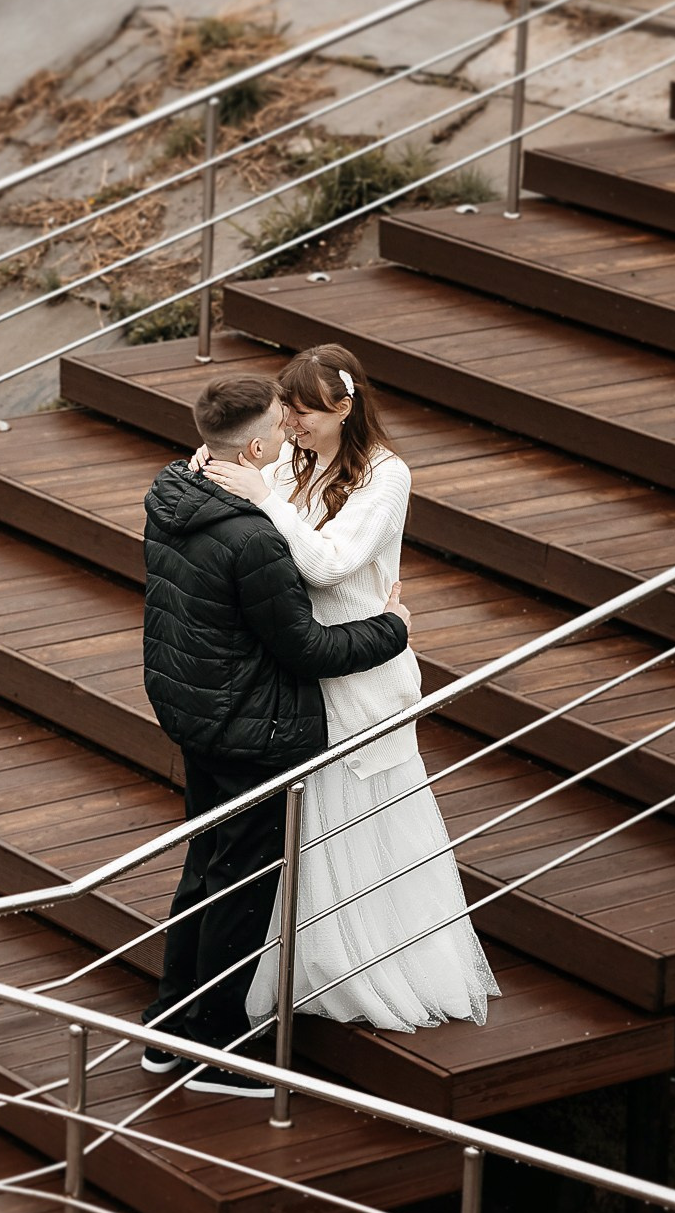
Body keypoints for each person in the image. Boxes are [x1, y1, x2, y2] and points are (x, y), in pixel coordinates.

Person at [199, 344, 499, 1034]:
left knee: (364, 817)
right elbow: (235, 467)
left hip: (362, 670)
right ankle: (305, 959)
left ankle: (371, 962)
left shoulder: (386, 476)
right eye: (288, 409)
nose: (292, 423)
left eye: (305, 411)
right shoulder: (292, 457)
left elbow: (332, 565)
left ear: (345, 407)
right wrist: (219, 464)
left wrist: (263, 497)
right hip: (304, 666)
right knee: (308, 820)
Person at [141, 372, 414, 1096]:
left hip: (196, 713)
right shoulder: (253, 537)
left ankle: (166, 1026)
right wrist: (392, 628)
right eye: (279, 424)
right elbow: (308, 649)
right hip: (251, 730)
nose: (290, 431)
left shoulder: (174, 490)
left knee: (204, 865)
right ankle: (217, 1051)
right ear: (256, 448)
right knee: (239, 886)